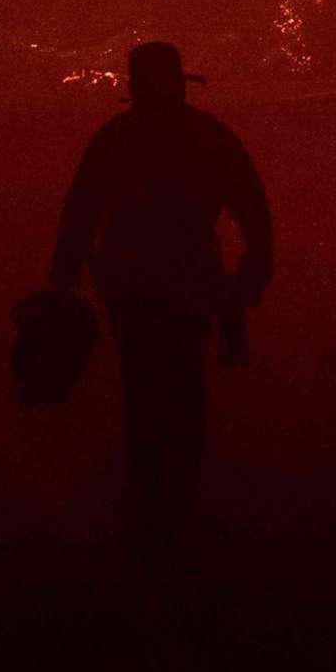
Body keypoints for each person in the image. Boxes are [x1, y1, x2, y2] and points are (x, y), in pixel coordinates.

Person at [49, 40, 273, 574]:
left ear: (132, 86)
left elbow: (80, 213)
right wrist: (251, 276)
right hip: (191, 276)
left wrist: (63, 282)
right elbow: (251, 207)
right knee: (185, 381)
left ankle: (147, 487)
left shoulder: (115, 139)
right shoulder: (207, 136)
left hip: (128, 281)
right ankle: (179, 492)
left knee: (140, 382)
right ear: (178, 83)